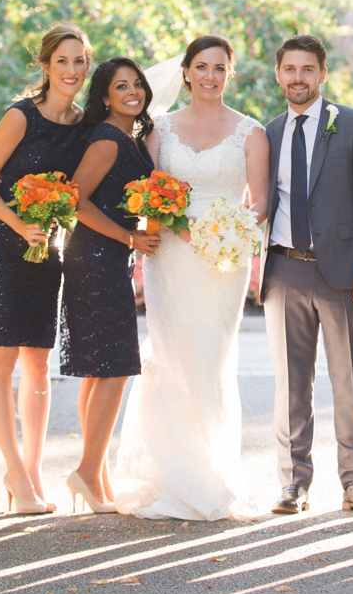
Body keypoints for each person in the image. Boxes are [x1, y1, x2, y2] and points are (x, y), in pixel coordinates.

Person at [114, 35, 270, 520]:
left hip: (222, 261)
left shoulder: (251, 132)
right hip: (172, 260)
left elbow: (260, 203)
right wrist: (169, 227)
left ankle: (215, 469)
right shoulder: (157, 130)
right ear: (185, 72)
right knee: (173, 352)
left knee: (211, 357)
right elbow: (142, 196)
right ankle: (173, 472)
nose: (210, 76)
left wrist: (232, 231)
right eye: (201, 67)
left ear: (231, 74)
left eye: (219, 68)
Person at [262, 34, 353, 516]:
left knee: (351, 383)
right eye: (290, 69)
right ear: (279, 74)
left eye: (307, 69)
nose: (298, 77)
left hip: (343, 274)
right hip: (284, 271)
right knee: (291, 385)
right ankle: (293, 484)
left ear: (322, 74)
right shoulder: (268, 133)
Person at [0, 23, 92, 514]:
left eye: (80, 61)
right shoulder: (20, 117)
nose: (72, 70)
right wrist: (19, 226)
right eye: (62, 60)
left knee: (38, 362)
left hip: (46, 249)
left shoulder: (84, 124)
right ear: (45, 66)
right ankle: (16, 476)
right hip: (1, 244)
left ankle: (33, 474)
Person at [58, 58, 161, 514]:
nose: (132, 91)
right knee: (116, 367)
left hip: (109, 257)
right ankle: (86, 470)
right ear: (104, 96)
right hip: (94, 257)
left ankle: (93, 474)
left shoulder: (131, 138)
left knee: (102, 368)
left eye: (136, 84)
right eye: (121, 86)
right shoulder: (105, 139)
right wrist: (130, 237)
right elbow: (75, 202)